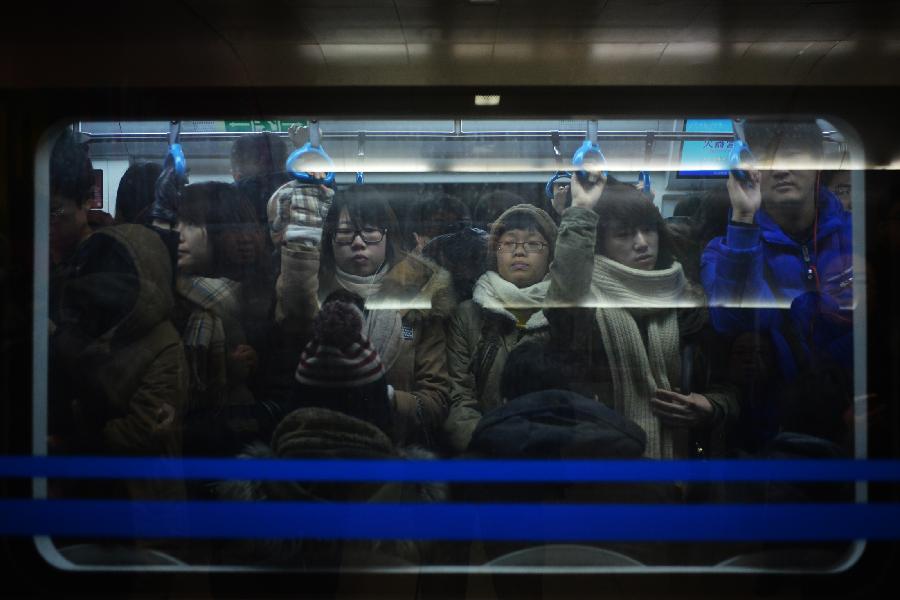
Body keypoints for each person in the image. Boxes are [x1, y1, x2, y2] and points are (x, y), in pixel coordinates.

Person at [545, 176, 738, 460]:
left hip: (688, 466)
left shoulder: (689, 301)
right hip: (602, 464)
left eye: (649, 230)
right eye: (623, 234)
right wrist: (581, 209)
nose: (642, 243)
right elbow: (563, 307)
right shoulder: (586, 304)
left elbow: (731, 385)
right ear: (601, 244)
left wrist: (712, 406)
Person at [275, 186, 455, 448]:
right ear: (330, 238)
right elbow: (296, 312)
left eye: (370, 231)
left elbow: (436, 400)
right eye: (345, 232)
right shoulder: (311, 296)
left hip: (394, 448)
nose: (358, 242)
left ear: (387, 236)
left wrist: (387, 397)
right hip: (316, 446)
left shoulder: (419, 299)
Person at [700, 120, 853, 381]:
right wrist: (744, 216)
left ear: (817, 165)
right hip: (771, 404)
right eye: (766, 161)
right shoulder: (723, 251)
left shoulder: (853, 235)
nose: (780, 170)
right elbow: (733, 323)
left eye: (792, 157)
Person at [49, 224, 188, 501]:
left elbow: (144, 429)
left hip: (143, 495)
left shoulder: (164, 344)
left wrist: (72, 444)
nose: (101, 292)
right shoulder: (82, 330)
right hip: (85, 489)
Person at [443, 204, 558, 454]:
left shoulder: (562, 312)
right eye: (509, 243)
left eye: (533, 243)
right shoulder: (468, 314)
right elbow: (459, 397)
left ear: (551, 255)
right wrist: (487, 446)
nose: (519, 251)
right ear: (495, 253)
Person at [173, 181, 277, 456]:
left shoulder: (259, 299)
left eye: (192, 224)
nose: (178, 234)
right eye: (176, 223)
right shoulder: (167, 298)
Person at [406, 193, 471, 253]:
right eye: (440, 222)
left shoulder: (467, 255)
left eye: (454, 225)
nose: (447, 230)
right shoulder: (413, 260)